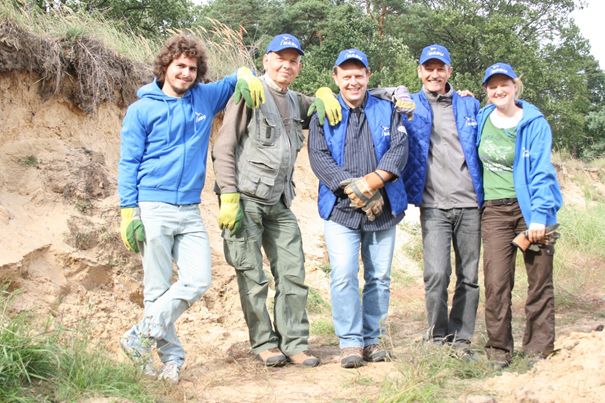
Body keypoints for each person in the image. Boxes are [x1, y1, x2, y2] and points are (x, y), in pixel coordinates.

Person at [117, 34, 265, 384]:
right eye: (180, 66)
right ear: (165, 66)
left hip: (190, 210)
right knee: (155, 290)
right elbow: (128, 162)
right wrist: (128, 211)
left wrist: (245, 72)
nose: (186, 73)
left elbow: (235, 80)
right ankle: (169, 360)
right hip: (152, 206)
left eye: (192, 68)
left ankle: (139, 335)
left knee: (198, 279)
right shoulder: (142, 109)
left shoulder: (204, 97)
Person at [212, 33, 341, 368]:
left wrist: (326, 94)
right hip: (245, 200)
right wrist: (228, 194)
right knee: (253, 276)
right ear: (266, 60)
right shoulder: (249, 93)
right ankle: (265, 343)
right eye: (280, 58)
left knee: (292, 274)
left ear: (299, 66)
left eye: (293, 60)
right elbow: (224, 146)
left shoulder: (295, 100)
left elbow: (328, 107)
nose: (287, 65)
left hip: (280, 202)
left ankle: (295, 342)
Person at [308, 48, 409, 368]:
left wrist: (374, 183)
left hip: (384, 208)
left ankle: (372, 337)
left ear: (369, 76)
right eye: (346, 75)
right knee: (343, 275)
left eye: (359, 75)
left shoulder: (387, 109)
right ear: (336, 77)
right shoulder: (323, 111)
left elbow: (399, 149)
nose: (353, 81)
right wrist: (353, 188)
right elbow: (318, 156)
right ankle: (350, 342)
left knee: (379, 276)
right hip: (340, 209)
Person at [477, 62, 562, 367]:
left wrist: (539, 215)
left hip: (532, 210)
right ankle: (499, 350)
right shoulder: (482, 118)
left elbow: (541, 171)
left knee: (539, 280)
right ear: (486, 91)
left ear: (515, 86)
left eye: (504, 84)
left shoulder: (535, 122)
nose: (498, 90)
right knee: (497, 282)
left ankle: (539, 348)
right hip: (495, 211)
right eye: (492, 86)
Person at [403, 44, 483, 353]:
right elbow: (372, 96)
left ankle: (461, 338)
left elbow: (502, 112)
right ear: (420, 72)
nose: (434, 73)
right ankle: (437, 338)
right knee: (436, 273)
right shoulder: (409, 104)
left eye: (440, 68)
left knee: (470, 276)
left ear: (449, 71)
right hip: (433, 205)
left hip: (469, 203)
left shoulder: (469, 105)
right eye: (428, 68)